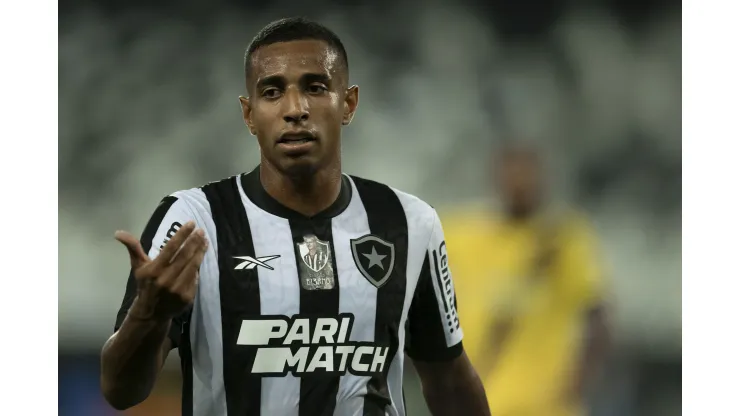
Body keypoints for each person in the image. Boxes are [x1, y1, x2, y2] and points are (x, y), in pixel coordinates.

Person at [100, 17, 490, 416]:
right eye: (272, 92)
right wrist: (149, 314)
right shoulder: (194, 220)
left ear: (349, 103)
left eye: (315, 87)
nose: (295, 109)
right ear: (249, 114)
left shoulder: (409, 223)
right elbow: (120, 390)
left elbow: (449, 380)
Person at [443, 144, 612, 416]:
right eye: (512, 174)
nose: (519, 184)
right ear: (496, 178)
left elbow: (599, 315)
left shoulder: (562, 242)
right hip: (483, 398)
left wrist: (578, 381)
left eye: (526, 175)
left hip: (546, 406)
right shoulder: (464, 234)